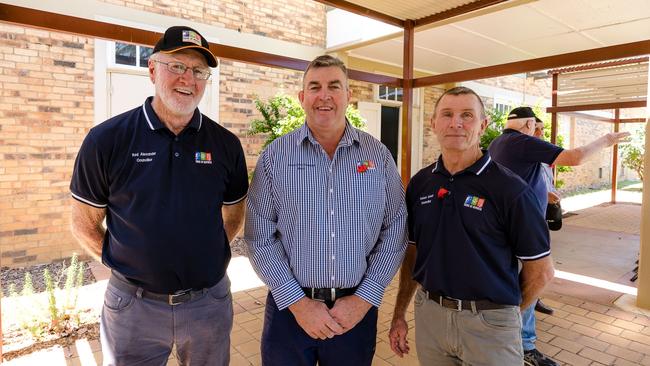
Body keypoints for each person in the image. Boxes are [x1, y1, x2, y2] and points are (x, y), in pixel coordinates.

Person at [70, 26, 248, 365]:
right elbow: (84, 224)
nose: (188, 79)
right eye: (177, 66)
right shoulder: (106, 140)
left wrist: (200, 255)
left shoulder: (226, 145)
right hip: (133, 308)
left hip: (208, 305)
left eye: (198, 71)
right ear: (152, 70)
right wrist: (128, 264)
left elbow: (234, 215)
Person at [245, 54, 407, 366]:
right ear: (302, 97)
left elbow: (396, 227)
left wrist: (364, 299)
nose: (324, 95)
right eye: (315, 87)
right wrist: (297, 302)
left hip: (355, 313)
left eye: (334, 86)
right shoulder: (275, 157)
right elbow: (258, 236)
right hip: (289, 312)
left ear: (349, 95)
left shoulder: (379, 156)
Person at [388, 86, 554, 365]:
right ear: (434, 123)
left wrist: (504, 318)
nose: (456, 123)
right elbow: (414, 253)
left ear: (483, 125)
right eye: (447, 114)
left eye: (467, 115)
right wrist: (398, 314)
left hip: (489, 326)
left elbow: (541, 272)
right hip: (431, 319)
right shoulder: (420, 184)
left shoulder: (510, 189)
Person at [488, 106, 630, 366]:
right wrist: (606, 140)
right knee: (536, 277)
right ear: (529, 125)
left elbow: (520, 178)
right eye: (537, 127)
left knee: (525, 279)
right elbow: (574, 157)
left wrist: (545, 193)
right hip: (522, 226)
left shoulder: (498, 142)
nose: (539, 132)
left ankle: (510, 334)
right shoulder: (522, 142)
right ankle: (520, 341)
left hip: (507, 225)